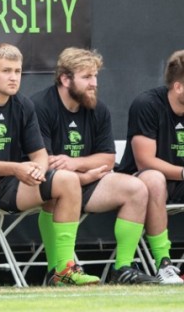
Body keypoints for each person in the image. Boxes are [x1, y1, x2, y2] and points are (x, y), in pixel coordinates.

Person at [0, 43, 100, 289]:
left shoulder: (24, 105)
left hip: (8, 184)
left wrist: (37, 169)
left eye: (17, 71)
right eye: (6, 71)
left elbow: (39, 154)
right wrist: (16, 168)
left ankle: (63, 268)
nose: (13, 77)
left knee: (66, 180)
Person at [31, 47, 158, 284]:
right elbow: (45, 162)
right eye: (87, 77)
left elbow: (107, 158)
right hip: (53, 184)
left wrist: (75, 162)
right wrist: (84, 174)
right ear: (65, 79)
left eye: (95, 76)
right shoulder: (40, 106)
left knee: (137, 188)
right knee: (59, 185)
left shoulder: (97, 108)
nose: (93, 83)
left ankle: (123, 269)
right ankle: (57, 270)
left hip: (87, 179)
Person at [116, 49, 184, 284]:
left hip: (179, 181)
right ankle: (163, 264)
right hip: (139, 180)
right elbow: (145, 161)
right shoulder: (147, 104)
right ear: (178, 87)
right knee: (155, 178)